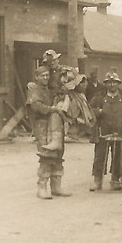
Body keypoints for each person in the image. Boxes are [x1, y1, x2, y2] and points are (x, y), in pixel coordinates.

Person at [28, 64, 71, 199]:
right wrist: (53, 109)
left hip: (55, 125)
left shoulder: (50, 89)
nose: (46, 77)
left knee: (58, 154)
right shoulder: (34, 91)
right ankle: (42, 187)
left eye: (47, 75)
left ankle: (56, 186)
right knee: (46, 155)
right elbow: (37, 107)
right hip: (42, 126)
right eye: (42, 76)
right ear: (36, 77)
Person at [88, 72, 122, 191]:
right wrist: (98, 111)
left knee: (118, 156)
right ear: (106, 83)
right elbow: (88, 109)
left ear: (118, 83)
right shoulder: (99, 97)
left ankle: (115, 179)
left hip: (120, 132)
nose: (112, 85)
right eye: (109, 82)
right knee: (99, 157)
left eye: (114, 82)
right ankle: (97, 180)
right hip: (103, 132)